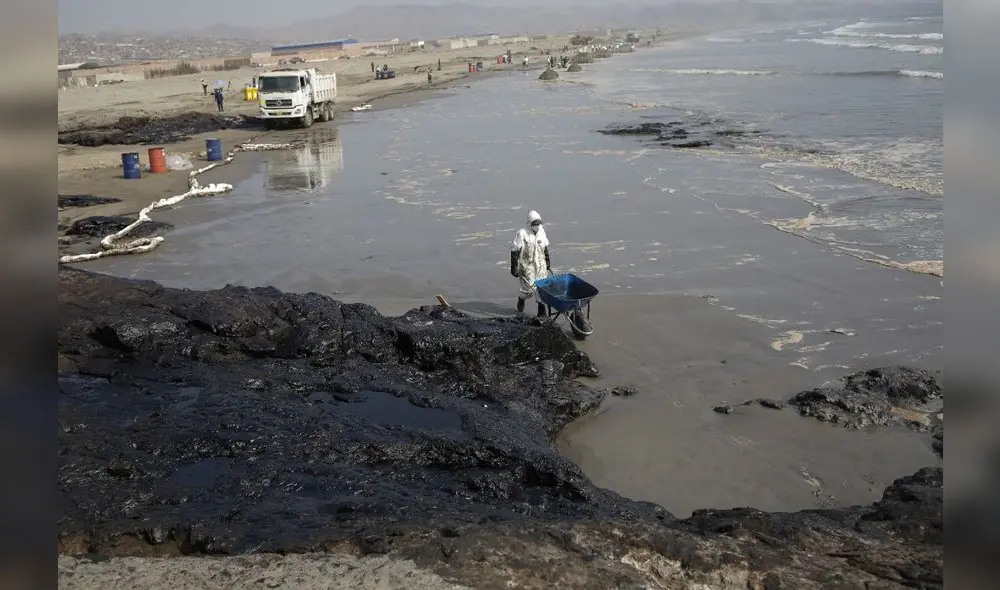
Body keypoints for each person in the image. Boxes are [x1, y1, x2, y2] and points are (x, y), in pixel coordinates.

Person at [510, 210, 552, 316]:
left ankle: (542, 314)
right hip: (527, 266)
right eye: (535, 224)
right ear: (530, 224)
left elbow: (545, 247)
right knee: (527, 291)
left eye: (539, 223)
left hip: (540, 266)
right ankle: (521, 302)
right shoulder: (522, 233)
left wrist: (547, 261)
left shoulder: (542, 232)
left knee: (541, 290)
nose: (537, 226)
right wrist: (514, 267)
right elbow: (515, 251)